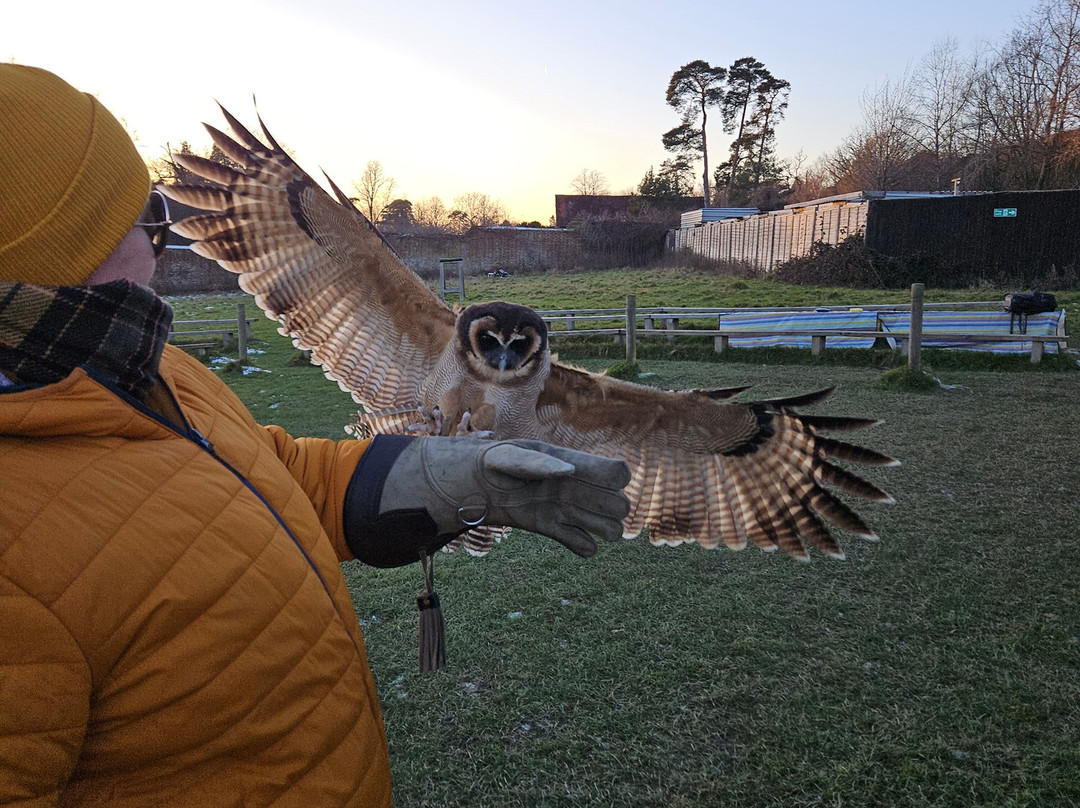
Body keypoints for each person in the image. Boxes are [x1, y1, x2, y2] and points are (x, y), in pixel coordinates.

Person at [0, 64, 631, 807]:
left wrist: (432, 478)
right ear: (61, 257)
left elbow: (260, 473)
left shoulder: (144, 366)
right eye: (146, 221)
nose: (164, 247)